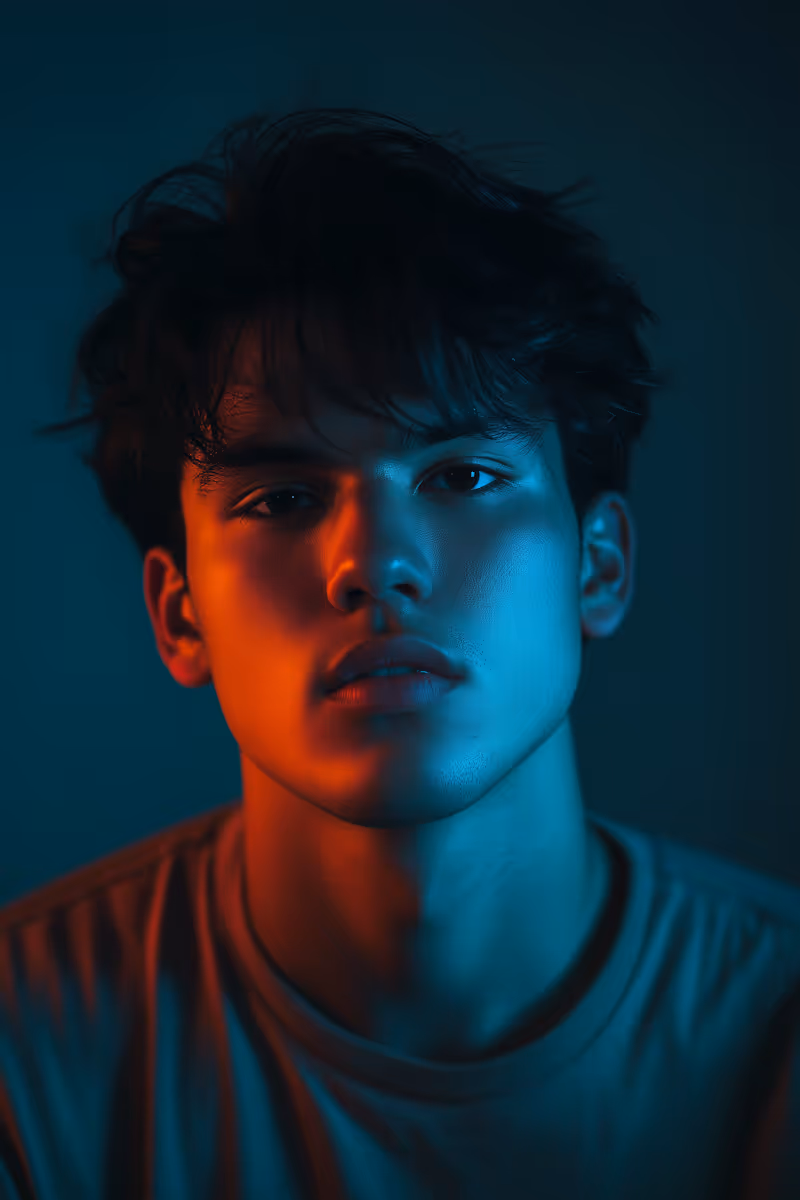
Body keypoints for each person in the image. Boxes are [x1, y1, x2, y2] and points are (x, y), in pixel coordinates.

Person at [1, 106, 797, 1199]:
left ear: (596, 566)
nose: (373, 564)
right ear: (180, 614)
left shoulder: (775, 1031)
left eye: (463, 476)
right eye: (280, 497)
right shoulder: (22, 1051)